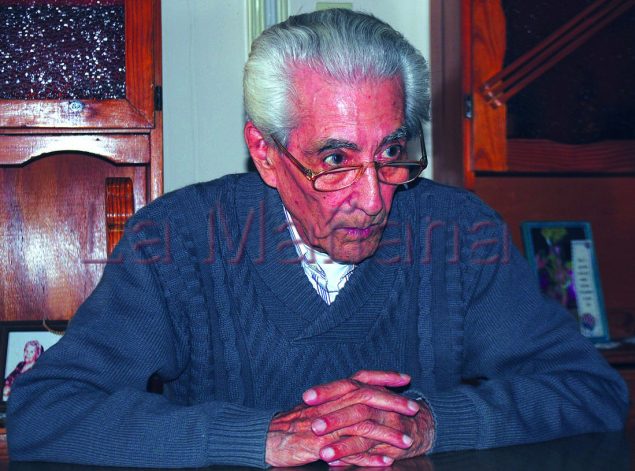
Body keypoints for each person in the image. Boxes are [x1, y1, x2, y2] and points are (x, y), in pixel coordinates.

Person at [6, 8, 627, 468]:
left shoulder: (461, 233)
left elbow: (591, 391)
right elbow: (45, 411)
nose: (374, 198)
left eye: (391, 154)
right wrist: (259, 437)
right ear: (265, 153)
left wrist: (429, 423)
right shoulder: (176, 240)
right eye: (335, 160)